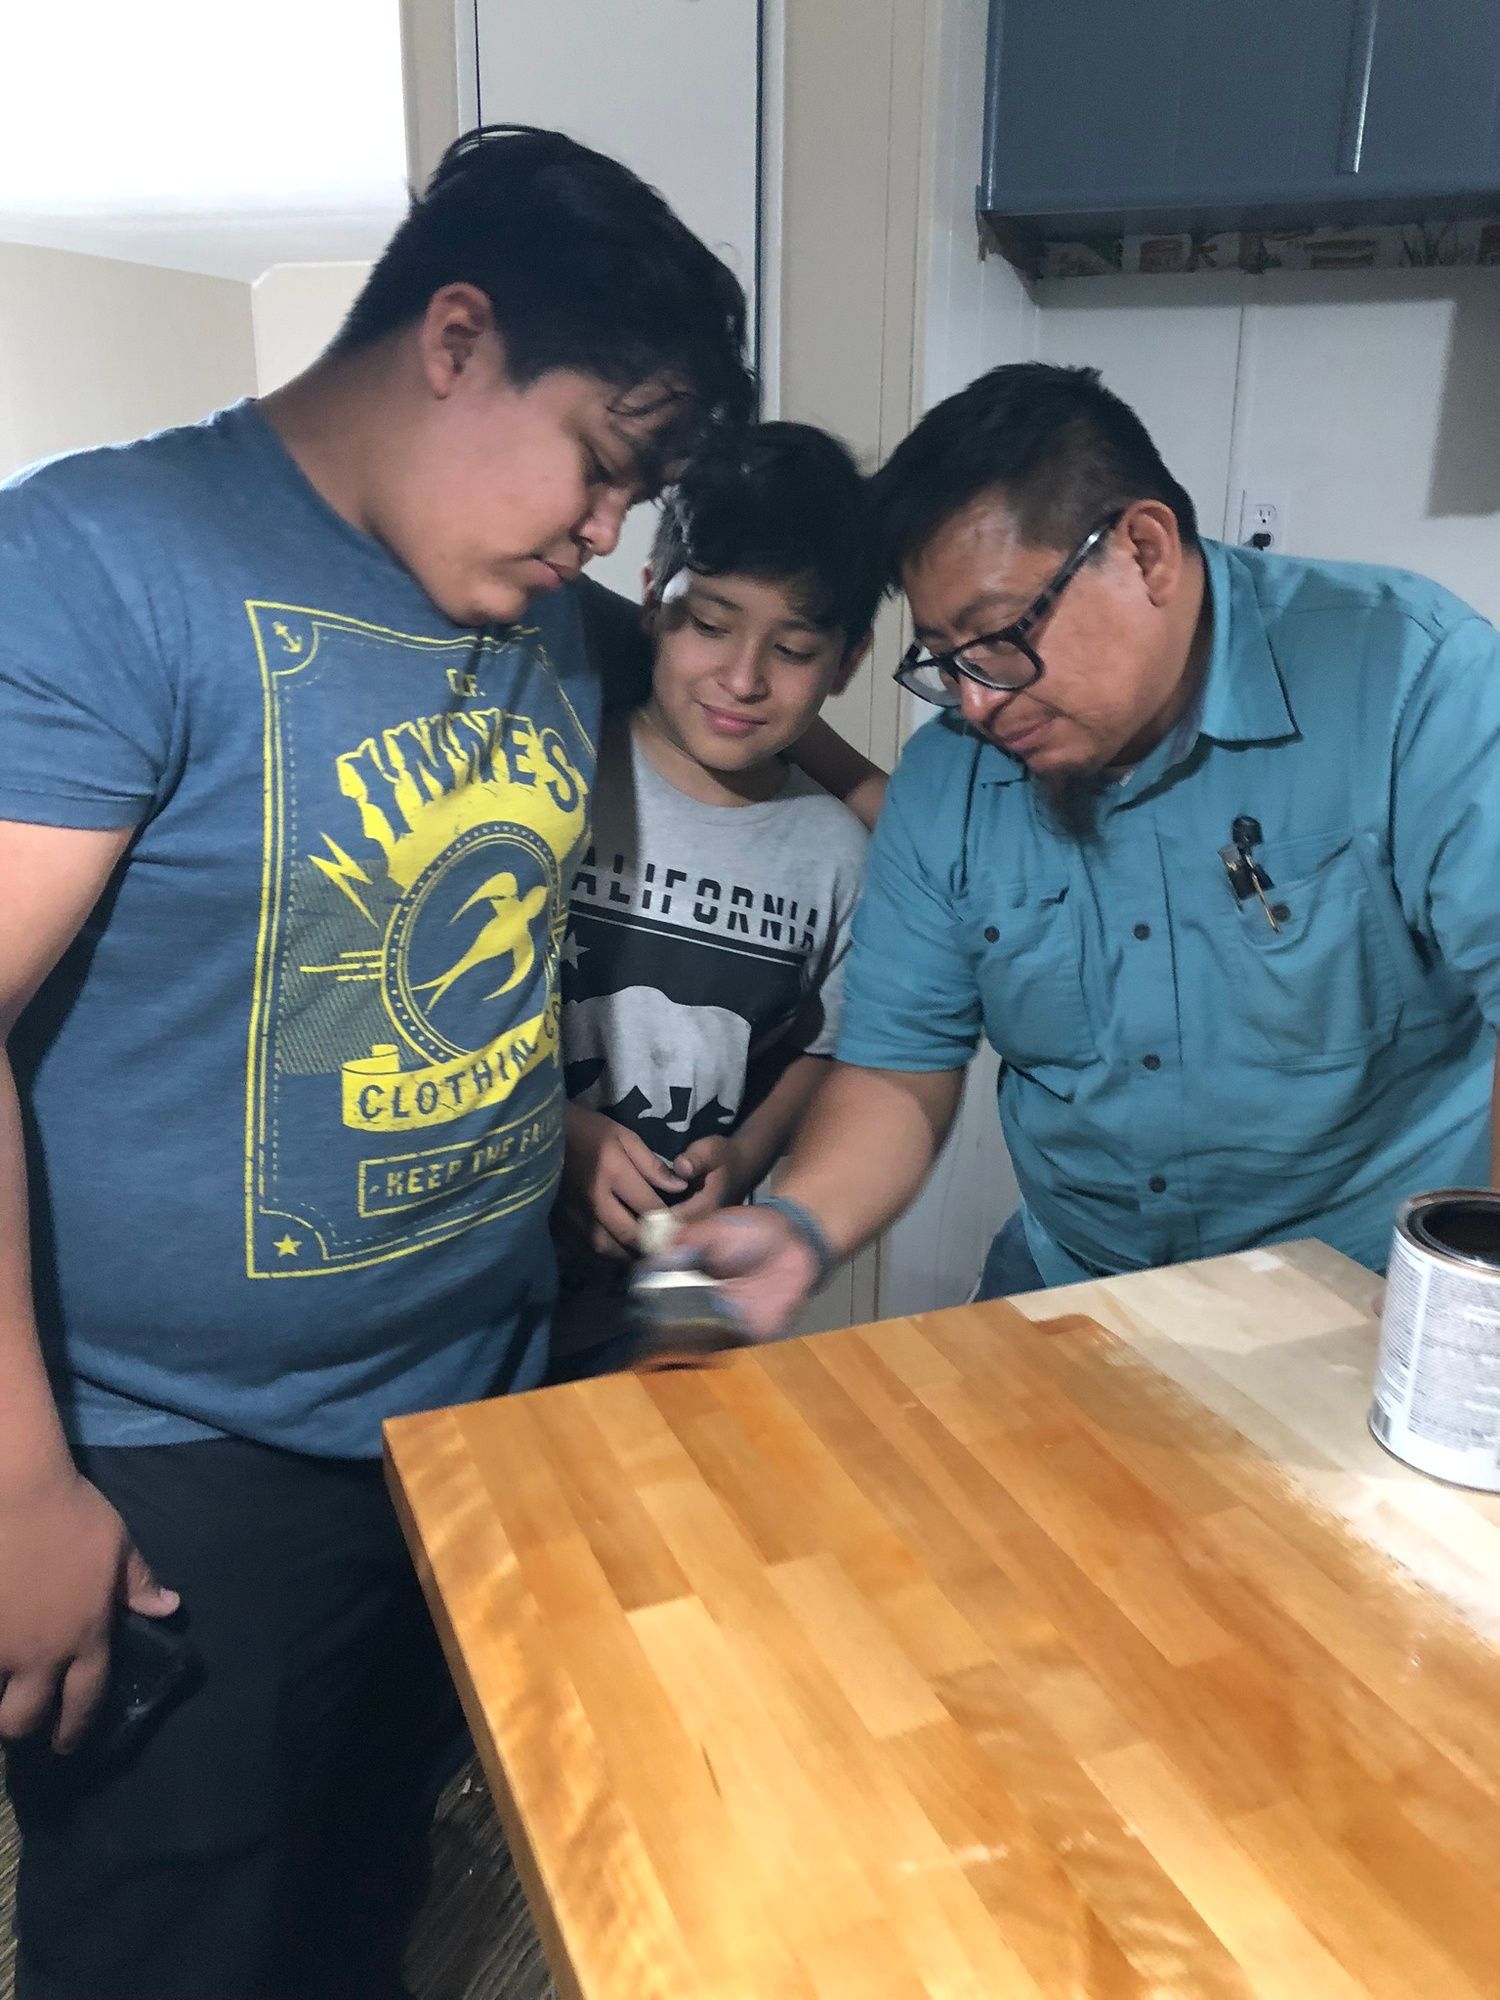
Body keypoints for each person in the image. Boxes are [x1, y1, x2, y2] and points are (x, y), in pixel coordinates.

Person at [0, 124, 752, 2000]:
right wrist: (15, 1481)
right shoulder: (100, 566)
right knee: (177, 1946)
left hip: (472, 1417)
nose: (604, 532)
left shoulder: (557, 633)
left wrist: (554, 1110)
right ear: (456, 335)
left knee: (363, 1907)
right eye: (601, 465)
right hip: (186, 1470)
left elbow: (365, 954)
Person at [662, 361, 1500, 1336]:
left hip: (1355, 1298)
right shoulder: (950, 783)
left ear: (1143, 549)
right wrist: (801, 1225)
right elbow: (900, 1069)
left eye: (998, 637)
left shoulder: (1409, 679)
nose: (975, 700)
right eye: (945, 658)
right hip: (1078, 1282)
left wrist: (1470, 1307)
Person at [548, 422, 878, 1377]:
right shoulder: (555, 771)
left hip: (680, 1284)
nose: (743, 679)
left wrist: (746, 1159)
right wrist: (555, 1134)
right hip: (494, 1265)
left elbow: (824, 1040)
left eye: (795, 647)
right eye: (711, 623)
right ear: (653, 600)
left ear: (847, 663)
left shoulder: (836, 853)